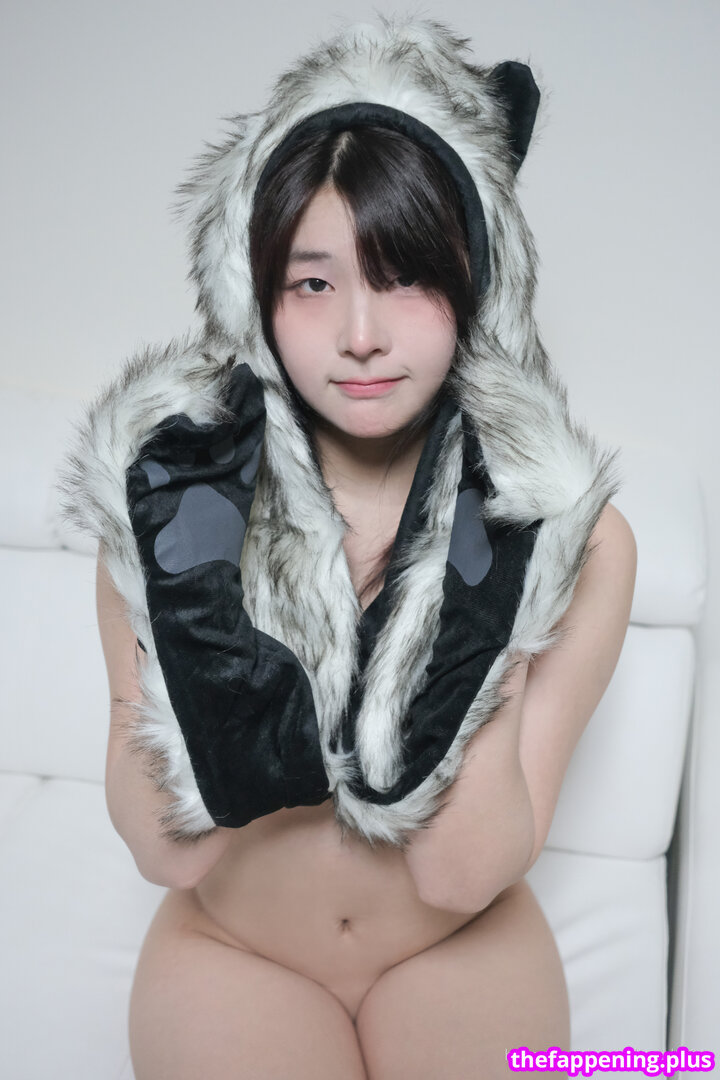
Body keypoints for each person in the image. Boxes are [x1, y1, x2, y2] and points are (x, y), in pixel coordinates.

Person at [71, 14, 637, 1079]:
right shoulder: (168, 511)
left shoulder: (585, 541)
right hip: (232, 951)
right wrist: (193, 623)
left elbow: (460, 871)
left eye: (406, 276)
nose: (362, 336)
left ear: (478, 285)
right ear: (256, 297)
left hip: (463, 948)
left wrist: (495, 596)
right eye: (314, 283)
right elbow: (161, 850)